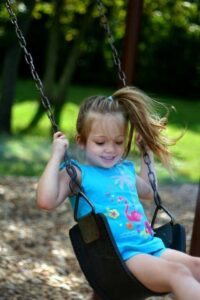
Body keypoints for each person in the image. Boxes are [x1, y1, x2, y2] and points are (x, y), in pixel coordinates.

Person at [37, 86, 200, 299]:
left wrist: (146, 153)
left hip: (151, 246)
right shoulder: (77, 174)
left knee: (196, 266)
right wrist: (56, 156)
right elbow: (46, 201)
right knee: (178, 273)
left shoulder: (125, 170)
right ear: (82, 141)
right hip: (121, 258)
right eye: (100, 142)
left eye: (118, 142)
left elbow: (149, 192)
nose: (110, 149)